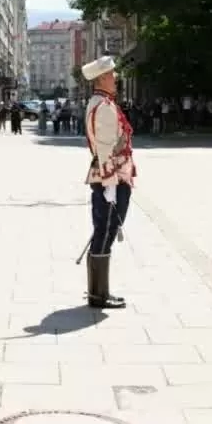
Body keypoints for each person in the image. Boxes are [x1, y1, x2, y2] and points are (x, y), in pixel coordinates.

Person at [82, 54, 135, 309]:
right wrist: (110, 183)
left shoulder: (100, 102)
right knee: (106, 231)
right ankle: (98, 294)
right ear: (102, 78)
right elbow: (104, 148)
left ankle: (98, 291)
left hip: (109, 175)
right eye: (112, 74)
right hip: (110, 177)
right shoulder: (103, 106)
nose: (115, 78)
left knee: (103, 230)